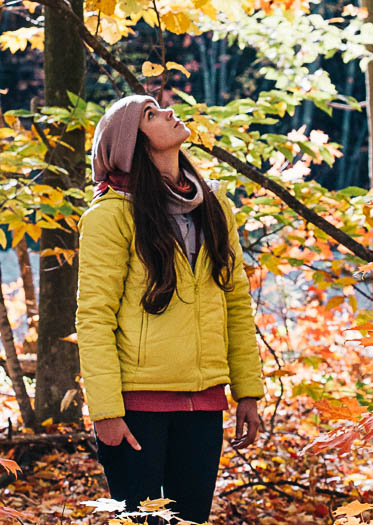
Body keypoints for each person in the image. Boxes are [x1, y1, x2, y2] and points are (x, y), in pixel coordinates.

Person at [75, 94, 266, 523]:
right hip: (136, 406)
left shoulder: (215, 208)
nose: (168, 112)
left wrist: (247, 391)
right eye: (150, 114)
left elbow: (235, 301)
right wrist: (105, 411)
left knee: (192, 520)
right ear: (133, 145)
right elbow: (94, 317)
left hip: (204, 404)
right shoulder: (111, 215)